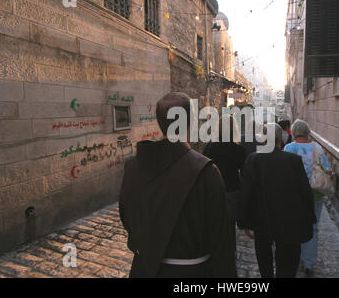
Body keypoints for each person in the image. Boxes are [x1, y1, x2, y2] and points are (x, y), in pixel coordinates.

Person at [119, 92, 236, 278]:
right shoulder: (207, 172)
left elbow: (126, 218)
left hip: (144, 269)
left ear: (159, 121)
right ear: (189, 122)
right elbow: (221, 241)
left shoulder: (132, 167)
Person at [238, 123, 316, 278]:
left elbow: (246, 192)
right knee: (287, 263)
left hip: (262, 218)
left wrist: (244, 222)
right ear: (281, 138)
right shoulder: (293, 160)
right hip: (289, 219)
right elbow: (305, 192)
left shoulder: (254, 159)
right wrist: (309, 218)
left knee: (264, 258)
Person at [284, 119, 332, 277]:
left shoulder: (289, 148)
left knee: (294, 224)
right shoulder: (316, 148)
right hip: (314, 193)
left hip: (294, 194)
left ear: (294, 131)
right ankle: (309, 263)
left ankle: (294, 258)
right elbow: (328, 171)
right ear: (307, 132)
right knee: (313, 227)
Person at [203, 115, 247, 250]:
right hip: (232, 190)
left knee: (213, 223)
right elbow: (244, 172)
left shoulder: (210, 146)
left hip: (213, 190)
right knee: (229, 226)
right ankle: (229, 253)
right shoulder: (238, 150)